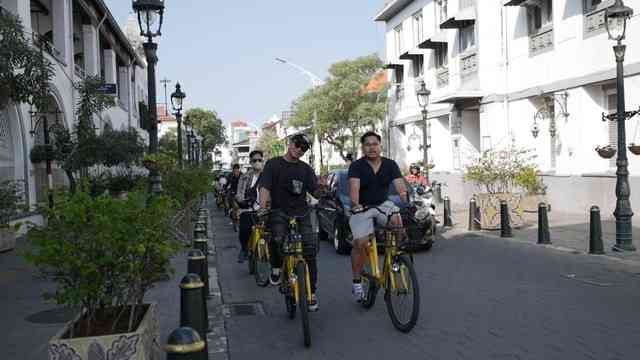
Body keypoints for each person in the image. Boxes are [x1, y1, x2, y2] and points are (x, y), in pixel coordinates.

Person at [258, 133, 324, 312]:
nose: (299, 149)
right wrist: (263, 206)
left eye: (304, 148)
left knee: (310, 250)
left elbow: (315, 190)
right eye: (297, 145)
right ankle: (277, 268)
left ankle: (312, 293)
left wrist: (321, 189)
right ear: (290, 143)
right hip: (279, 211)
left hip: (301, 212)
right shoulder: (273, 164)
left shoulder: (306, 169)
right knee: (278, 239)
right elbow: (264, 187)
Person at [348, 131, 408, 302]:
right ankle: (357, 281)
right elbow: (354, 191)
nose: (372, 147)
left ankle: (395, 256)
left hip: (382, 204)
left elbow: (400, 187)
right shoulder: (357, 166)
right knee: (360, 243)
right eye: (368, 144)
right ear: (363, 147)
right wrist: (355, 205)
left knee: (397, 220)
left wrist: (406, 199)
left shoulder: (390, 164)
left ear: (380, 146)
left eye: (375, 144)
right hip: (363, 207)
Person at [235, 151, 265, 263]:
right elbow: (239, 193)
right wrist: (241, 202)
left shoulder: (268, 175)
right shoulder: (245, 177)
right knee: (244, 229)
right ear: (251, 162)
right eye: (254, 160)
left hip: (265, 211)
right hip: (248, 209)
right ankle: (244, 249)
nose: (257, 162)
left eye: (259, 160)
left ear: (263, 161)